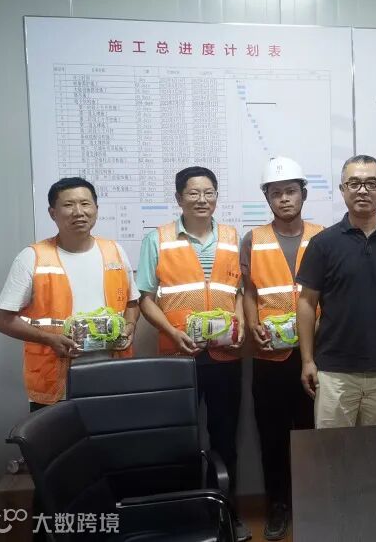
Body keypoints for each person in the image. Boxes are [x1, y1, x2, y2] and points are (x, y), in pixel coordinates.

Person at [136, 166, 249, 540]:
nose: (202, 200)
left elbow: (236, 292)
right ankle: (183, 516)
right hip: (177, 357)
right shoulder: (158, 239)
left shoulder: (231, 237)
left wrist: (239, 325)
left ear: (216, 196)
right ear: (179, 198)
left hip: (225, 357)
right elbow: (146, 298)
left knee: (225, 438)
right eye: (193, 193)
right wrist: (171, 331)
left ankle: (226, 515)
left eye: (209, 192)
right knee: (180, 440)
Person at [296, 155, 376, 428]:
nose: (363, 190)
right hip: (334, 373)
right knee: (333, 450)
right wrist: (307, 360)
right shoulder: (323, 243)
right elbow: (306, 303)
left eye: (371, 184)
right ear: (342, 189)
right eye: (354, 184)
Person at [0, 177, 139, 410]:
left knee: (110, 433)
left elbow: (132, 302)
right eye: (69, 205)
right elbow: (2, 320)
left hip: (110, 376)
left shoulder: (114, 251)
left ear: (96, 209)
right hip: (55, 379)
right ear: (53, 213)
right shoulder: (33, 257)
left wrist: (130, 327)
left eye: (85, 203)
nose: (78, 212)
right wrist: (49, 339)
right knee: (57, 435)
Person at [240, 157, 322, 540]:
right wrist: (252, 325)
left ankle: (311, 501)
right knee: (272, 435)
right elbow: (249, 291)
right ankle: (278, 504)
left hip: (315, 356)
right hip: (269, 357)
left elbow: (331, 292)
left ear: (303, 194)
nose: (285, 199)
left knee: (312, 431)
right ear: (267, 198)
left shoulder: (322, 236)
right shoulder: (253, 240)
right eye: (277, 193)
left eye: (291, 191)